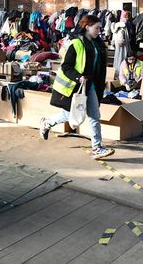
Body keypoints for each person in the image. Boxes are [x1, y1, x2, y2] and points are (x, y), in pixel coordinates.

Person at [40, 15, 114, 160]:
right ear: (87, 27)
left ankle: (97, 148)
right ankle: (47, 123)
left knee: (94, 116)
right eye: (97, 28)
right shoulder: (76, 43)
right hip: (77, 86)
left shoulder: (98, 43)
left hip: (92, 86)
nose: (99, 31)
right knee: (70, 115)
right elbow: (66, 66)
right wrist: (78, 77)